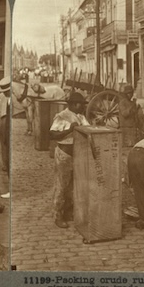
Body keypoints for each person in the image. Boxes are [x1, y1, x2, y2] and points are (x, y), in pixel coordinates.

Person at [49, 93, 90, 228]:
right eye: (80, 104)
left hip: (77, 155)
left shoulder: (81, 116)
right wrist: (68, 130)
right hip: (64, 155)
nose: (83, 107)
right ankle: (57, 215)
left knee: (73, 186)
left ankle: (68, 211)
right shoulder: (62, 116)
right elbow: (52, 134)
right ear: (73, 104)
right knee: (61, 186)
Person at [0, 77, 11, 173]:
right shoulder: (1, 96)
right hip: (3, 121)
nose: (5, 93)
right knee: (3, 144)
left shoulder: (14, 97)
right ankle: (5, 163)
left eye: (7, 91)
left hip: (11, 122)